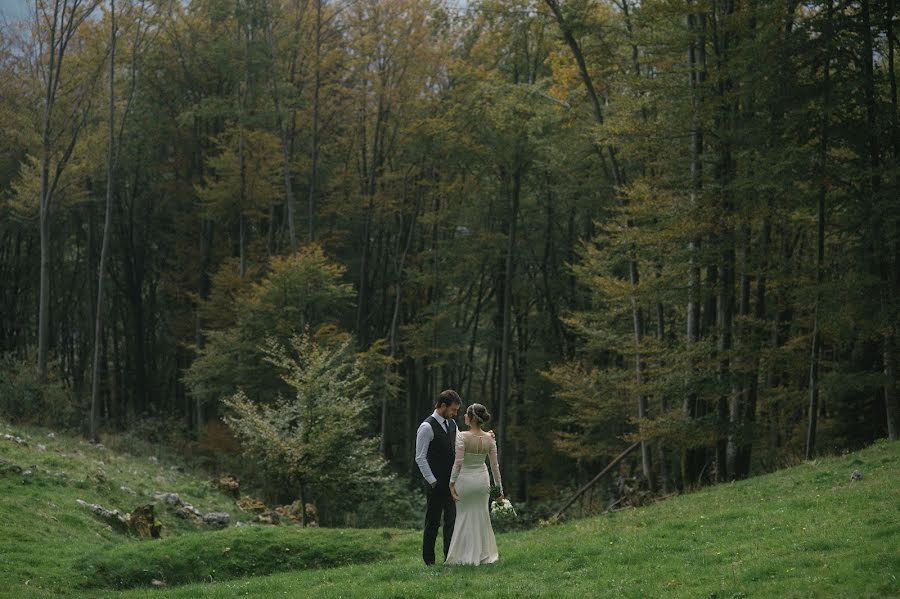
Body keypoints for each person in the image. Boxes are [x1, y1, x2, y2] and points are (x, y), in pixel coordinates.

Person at [445, 403, 503, 565]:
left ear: (470, 418)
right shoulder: (490, 438)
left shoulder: (462, 436)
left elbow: (458, 463)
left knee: (463, 516)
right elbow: (494, 466)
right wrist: (499, 489)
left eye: (465, 414)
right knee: (481, 515)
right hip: (482, 480)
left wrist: (451, 483)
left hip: (465, 480)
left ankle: (463, 556)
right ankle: (484, 555)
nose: (463, 416)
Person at [414, 389, 461, 565]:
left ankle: (449, 559)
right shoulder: (426, 427)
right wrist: (432, 481)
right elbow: (420, 457)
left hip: (451, 483)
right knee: (432, 523)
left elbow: (459, 449)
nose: (455, 413)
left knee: (451, 522)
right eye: (453, 410)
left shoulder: (453, 425)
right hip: (435, 484)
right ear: (443, 406)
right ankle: (429, 562)